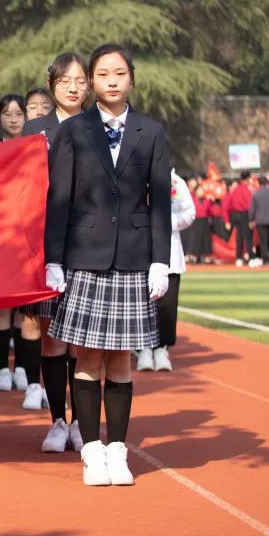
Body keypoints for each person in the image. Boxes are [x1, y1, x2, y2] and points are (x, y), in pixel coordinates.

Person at [44, 43, 171, 486]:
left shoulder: (151, 131)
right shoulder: (74, 131)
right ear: (92, 82)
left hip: (134, 258)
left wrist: (160, 260)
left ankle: (118, 451)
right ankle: (91, 452)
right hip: (84, 256)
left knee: (121, 361)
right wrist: (53, 259)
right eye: (103, 74)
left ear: (132, 78)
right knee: (86, 359)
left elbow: (159, 204)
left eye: (119, 73)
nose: (112, 81)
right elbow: (58, 198)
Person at [20, 52, 89, 450]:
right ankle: (57, 422)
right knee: (51, 340)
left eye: (80, 80)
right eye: (65, 81)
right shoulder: (36, 128)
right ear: (52, 85)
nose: (74, 87)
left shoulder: (99, 125)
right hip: (45, 246)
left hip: (86, 245)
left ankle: (82, 424)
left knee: (81, 339)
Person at [0, 94, 31, 395]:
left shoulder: (37, 149)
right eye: (7, 113)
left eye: (19, 113)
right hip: (0, 238)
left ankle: (25, 372)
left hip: (30, 237)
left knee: (25, 311)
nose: (14, 118)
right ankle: (3, 368)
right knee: (2, 307)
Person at [138, 168, 195, 372]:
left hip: (170, 253)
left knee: (167, 306)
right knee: (142, 305)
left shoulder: (176, 183)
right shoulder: (137, 175)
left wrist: (169, 222)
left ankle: (162, 348)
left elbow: (190, 212)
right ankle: (143, 349)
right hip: (140, 252)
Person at [223, 171, 254, 266]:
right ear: (248, 178)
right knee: (248, 237)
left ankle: (238, 258)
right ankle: (251, 257)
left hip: (235, 215)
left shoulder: (235, 190)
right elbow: (250, 204)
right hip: (244, 214)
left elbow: (227, 205)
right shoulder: (247, 190)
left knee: (239, 237)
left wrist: (227, 220)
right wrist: (252, 218)